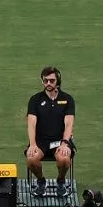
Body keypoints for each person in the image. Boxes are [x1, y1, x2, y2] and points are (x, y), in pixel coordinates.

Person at [25, 66, 76, 197]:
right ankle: (41, 181)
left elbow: (69, 123)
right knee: (31, 159)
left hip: (60, 140)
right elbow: (31, 124)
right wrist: (32, 144)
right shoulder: (35, 100)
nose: (48, 83)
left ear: (57, 81)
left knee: (64, 159)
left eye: (51, 81)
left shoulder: (68, 99)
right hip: (41, 141)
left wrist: (65, 143)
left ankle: (61, 180)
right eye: (45, 80)